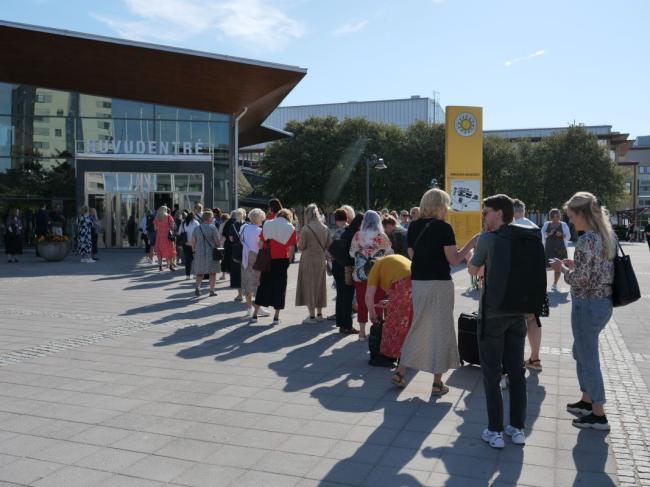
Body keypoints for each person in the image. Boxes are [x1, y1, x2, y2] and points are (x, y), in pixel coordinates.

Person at [394, 188, 477, 395]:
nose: (448, 209)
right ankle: (437, 383)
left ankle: (401, 370)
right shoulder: (444, 228)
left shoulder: (413, 226)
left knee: (419, 325)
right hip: (439, 283)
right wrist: (472, 244)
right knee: (441, 329)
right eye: (446, 205)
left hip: (419, 282)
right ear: (440, 206)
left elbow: (413, 255)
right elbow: (454, 260)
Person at [550, 192, 615, 430]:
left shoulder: (587, 240)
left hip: (586, 304)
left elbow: (582, 281)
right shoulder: (606, 235)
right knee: (581, 352)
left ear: (582, 214)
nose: (570, 221)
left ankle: (598, 413)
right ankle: (587, 402)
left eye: (571, 216)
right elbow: (596, 269)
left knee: (588, 359)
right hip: (602, 303)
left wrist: (562, 269)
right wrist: (574, 264)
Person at [468, 194, 527, 449]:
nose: (484, 216)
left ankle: (494, 431)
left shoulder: (487, 239)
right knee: (516, 372)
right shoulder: (524, 237)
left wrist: (473, 256)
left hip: (492, 314)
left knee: (491, 373)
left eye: (487, 212)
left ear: (499, 213)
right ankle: (517, 428)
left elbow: (473, 268)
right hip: (517, 314)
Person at [349, 211, 393, 340]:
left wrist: (363, 252)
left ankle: (362, 333)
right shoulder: (382, 236)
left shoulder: (358, 235)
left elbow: (352, 253)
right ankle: (377, 329)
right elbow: (390, 254)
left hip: (360, 274)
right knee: (378, 301)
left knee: (362, 302)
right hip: (378, 274)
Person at [252, 208, 297, 325]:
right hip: (282, 260)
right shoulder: (290, 228)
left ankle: (255, 315)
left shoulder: (267, 224)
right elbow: (291, 248)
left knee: (263, 286)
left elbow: (261, 243)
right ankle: (276, 317)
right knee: (280, 288)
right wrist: (290, 261)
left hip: (268, 259)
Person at [513, 199, 543, 371]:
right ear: (523, 211)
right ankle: (535, 358)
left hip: (516, 281)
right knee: (533, 319)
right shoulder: (535, 228)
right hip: (535, 280)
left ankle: (515, 360)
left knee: (516, 321)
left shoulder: (511, 228)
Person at [366, 254, 413, 361]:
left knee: (393, 322)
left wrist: (373, 315)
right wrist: (391, 302)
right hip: (418, 280)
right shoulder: (388, 261)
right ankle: (408, 355)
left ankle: (389, 356)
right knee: (409, 320)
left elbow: (368, 297)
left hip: (403, 282)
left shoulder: (375, 268)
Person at [296, 204, 332, 323]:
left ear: (308, 214)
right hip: (321, 259)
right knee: (320, 286)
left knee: (309, 286)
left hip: (308, 259)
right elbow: (328, 245)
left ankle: (311, 316)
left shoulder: (306, 229)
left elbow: (301, 247)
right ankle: (320, 314)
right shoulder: (325, 228)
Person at [329, 209, 359, 334]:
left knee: (340, 295)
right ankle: (347, 325)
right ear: (347, 218)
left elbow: (329, 251)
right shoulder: (351, 232)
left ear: (335, 220)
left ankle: (340, 323)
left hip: (336, 266)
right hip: (346, 267)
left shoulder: (336, 233)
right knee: (347, 296)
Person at [240, 208, 266, 316]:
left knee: (247, 282)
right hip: (256, 257)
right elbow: (261, 245)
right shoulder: (259, 231)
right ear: (259, 218)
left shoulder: (244, 227)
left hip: (245, 257)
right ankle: (258, 307)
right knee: (257, 283)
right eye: (262, 218)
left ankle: (249, 307)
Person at [191, 210, 221, 296]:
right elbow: (217, 242)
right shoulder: (212, 228)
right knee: (212, 272)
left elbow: (193, 241)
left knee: (200, 272)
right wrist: (218, 244)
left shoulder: (197, 228)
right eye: (212, 217)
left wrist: (194, 251)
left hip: (199, 253)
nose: (213, 218)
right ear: (209, 218)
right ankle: (211, 291)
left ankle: (197, 287)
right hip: (211, 253)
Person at [541, 209, 571, 291]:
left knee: (559, 267)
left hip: (561, 249)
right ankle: (542, 283)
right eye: (554, 216)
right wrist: (549, 234)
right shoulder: (547, 224)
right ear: (551, 217)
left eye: (558, 216)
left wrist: (561, 235)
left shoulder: (563, 224)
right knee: (546, 266)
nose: (556, 218)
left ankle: (554, 284)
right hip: (549, 249)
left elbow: (568, 236)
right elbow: (542, 234)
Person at [224, 209, 246, 301]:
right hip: (246, 249)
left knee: (237, 272)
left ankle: (240, 295)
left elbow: (231, 239)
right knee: (246, 271)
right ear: (244, 215)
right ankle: (248, 293)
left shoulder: (232, 226)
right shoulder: (247, 225)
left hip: (236, 250)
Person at [154, 206, 176, 272]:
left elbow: (155, 228)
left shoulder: (157, 217)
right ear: (166, 210)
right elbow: (172, 226)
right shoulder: (169, 216)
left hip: (159, 236)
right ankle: (170, 266)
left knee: (159, 251)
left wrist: (161, 228)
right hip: (167, 236)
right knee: (170, 250)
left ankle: (160, 266)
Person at [179, 211, 199, 280]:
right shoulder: (196, 223)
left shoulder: (183, 223)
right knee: (195, 260)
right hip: (195, 244)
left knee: (188, 260)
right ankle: (195, 274)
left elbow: (179, 233)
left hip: (186, 243)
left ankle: (187, 275)